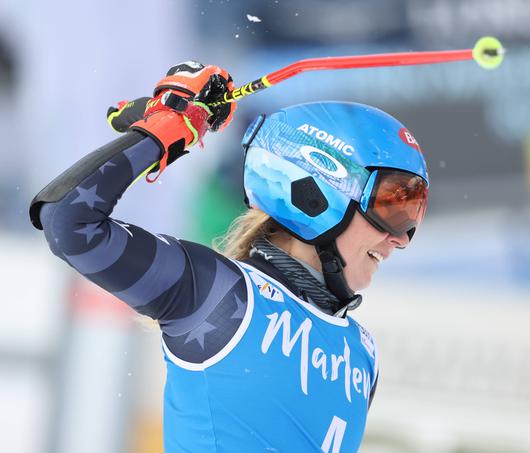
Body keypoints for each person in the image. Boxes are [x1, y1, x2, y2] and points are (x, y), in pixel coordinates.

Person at [29, 61, 429, 452]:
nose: (401, 238)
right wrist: (163, 130)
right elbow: (69, 221)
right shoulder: (218, 293)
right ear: (319, 190)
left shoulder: (362, 352)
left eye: (414, 213)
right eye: (393, 207)